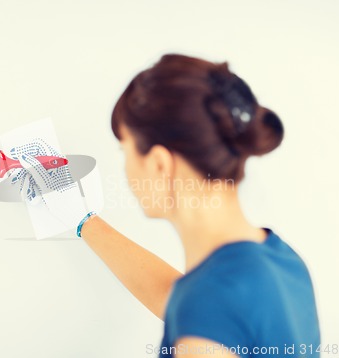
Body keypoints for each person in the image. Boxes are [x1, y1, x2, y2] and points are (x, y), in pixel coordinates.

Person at [18, 54, 321, 358]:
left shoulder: (204, 322)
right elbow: (183, 298)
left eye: (125, 150)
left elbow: (202, 310)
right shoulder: (282, 262)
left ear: (159, 164)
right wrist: (81, 219)